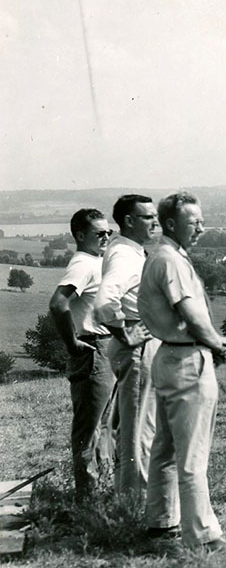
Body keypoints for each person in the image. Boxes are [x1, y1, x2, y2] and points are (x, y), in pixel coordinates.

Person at [139, 192, 226, 549]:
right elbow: (192, 315)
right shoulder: (170, 260)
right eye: (195, 223)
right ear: (170, 224)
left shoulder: (164, 256)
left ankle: (162, 524)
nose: (201, 229)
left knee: (164, 448)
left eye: (201, 221)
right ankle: (204, 537)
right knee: (193, 454)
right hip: (186, 361)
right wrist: (218, 343)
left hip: (169, 358)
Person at [94, 194, 160, 499]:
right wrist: (125, 334)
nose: (155, 222)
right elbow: (106, 302)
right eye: (148, 217)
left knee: (131, 428)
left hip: (139, 346)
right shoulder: (124, 255)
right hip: (138, 348)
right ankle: (138, 507)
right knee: (140, 432)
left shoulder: (127, 250)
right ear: (129, 221)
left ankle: (128, 500)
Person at [49, 209, 116, 500]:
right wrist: (72, 343)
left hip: (106, 349)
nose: (106, 237)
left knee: (103, 427)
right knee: (89, 431)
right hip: (92, 350)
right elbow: (58, 304)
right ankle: (86, 505)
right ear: (79, 236)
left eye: (108, 232)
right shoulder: (83, 264)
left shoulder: (95, 261)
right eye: (99, 233)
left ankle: (101, 494)